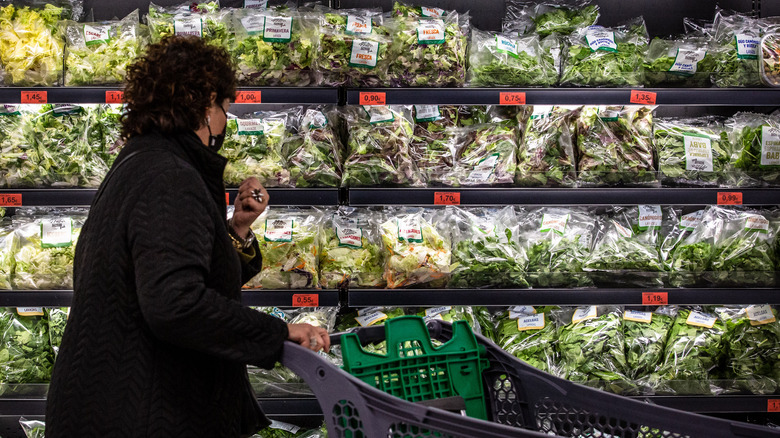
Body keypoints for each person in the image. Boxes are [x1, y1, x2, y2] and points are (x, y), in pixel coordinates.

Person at [46, 36, 330, 437]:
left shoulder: (141, 162)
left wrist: (237, 230)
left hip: (109, 403)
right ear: (206, 103)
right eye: (226, 109)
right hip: (142, 412)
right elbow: (175, 302)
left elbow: (175, 272)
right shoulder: (170, 178)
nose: (225, 123)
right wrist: (279, 333)